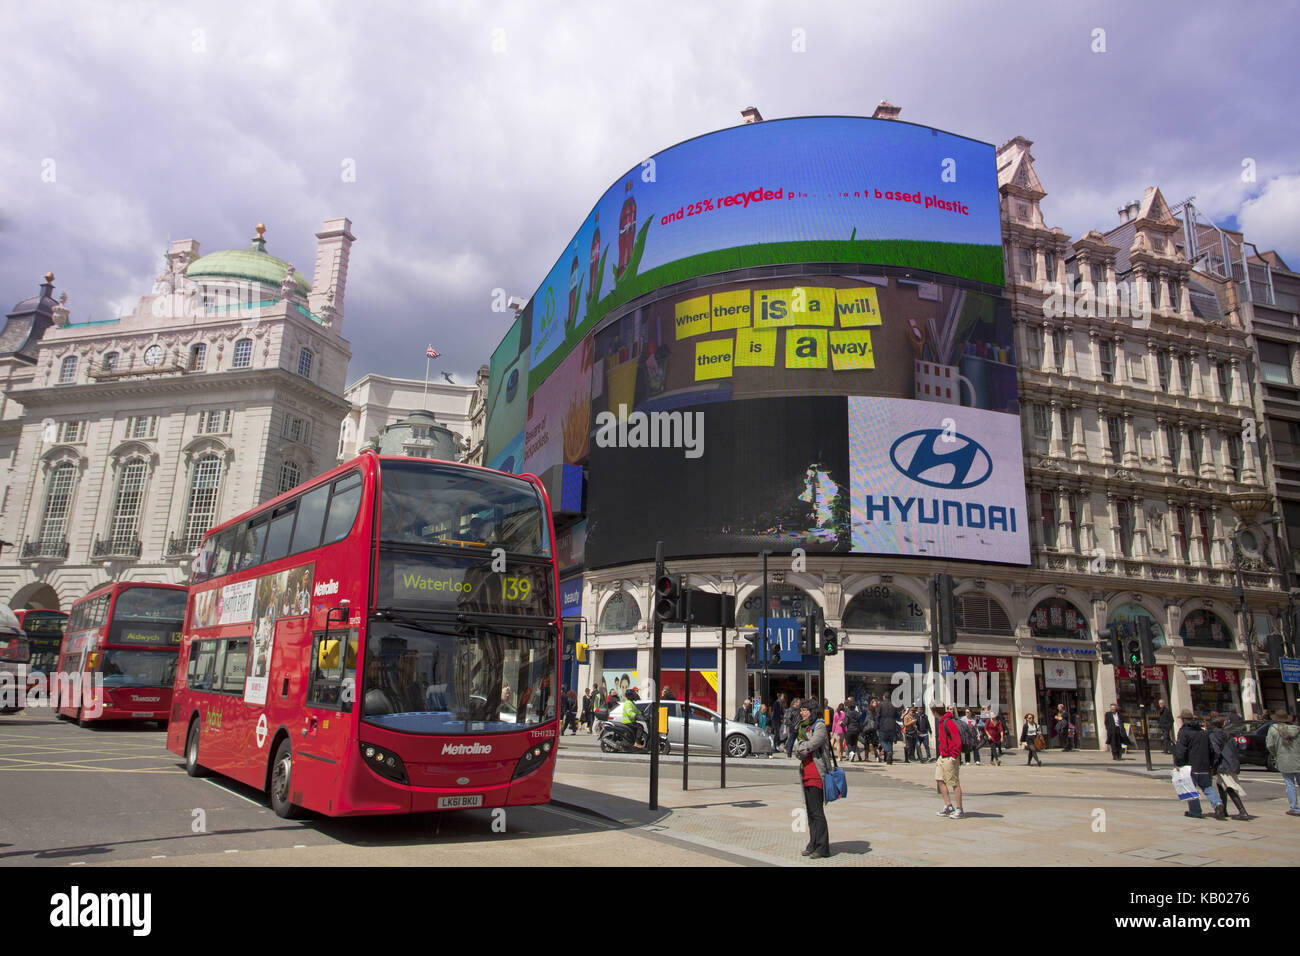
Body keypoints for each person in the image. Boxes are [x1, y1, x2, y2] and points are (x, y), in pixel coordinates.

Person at [793, 700, 833, 858]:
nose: (802, 713)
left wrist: (801, 747)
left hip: (817, 774)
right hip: (805, 773)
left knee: (817, 812)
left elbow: (813, 744)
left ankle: (823, 847)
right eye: (801, 710)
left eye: (805, 710)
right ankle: (813, 843)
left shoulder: (819, 726)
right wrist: (802, 747)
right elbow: (798, 747)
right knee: (810, 812)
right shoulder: (803, 727)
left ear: (812, 711)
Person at [1174, 710, 1225, 819]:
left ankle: (1195, 812)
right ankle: (1218, 804)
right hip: (1204, 765)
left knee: (1190, 788)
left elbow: (1181, 750)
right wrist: (1211, 764)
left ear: (1183, 720)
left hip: (1190, 766)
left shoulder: (1184, 732)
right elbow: (1211, 750)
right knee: (1207, 787)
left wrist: (1178, 763)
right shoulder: (1204, 732)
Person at [1208, 716, 1252, 820]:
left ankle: (1242, 811)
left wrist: (1212, 765)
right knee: (1221, 785)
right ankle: (1224, 811)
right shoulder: (1228, 733)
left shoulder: (1213, 735)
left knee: (1230, 787)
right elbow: (1235, 747)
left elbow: (1216, 751)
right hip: (1231, 762)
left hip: (1223, 764)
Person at [1265, 710, 1300, 817]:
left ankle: (1294, 808)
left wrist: (1275, 754)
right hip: (1298, 758)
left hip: (1284, 759)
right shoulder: (1297, 729)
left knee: (1290, 784)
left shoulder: (1273, 729)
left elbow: (1270, 745)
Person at [933, 704, 964, 819]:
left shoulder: (948, 722)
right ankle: (948, 806)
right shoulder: (942, 722)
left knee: (954, 783)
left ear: (935, 712)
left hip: (950, 756)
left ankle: (959, 809)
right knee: (939, 779)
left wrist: (954, 756)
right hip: (943, 755)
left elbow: (957, 740)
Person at [876, 694, 899, 765]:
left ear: (884, 697)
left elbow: (878, 715)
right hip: (892, 725)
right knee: (890, 742)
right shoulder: (894, 705)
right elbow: (896, 715)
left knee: (882, 741)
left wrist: (877, 725)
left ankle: (888, 752)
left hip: (883, 725)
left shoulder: (881, 704)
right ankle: (889, 757)